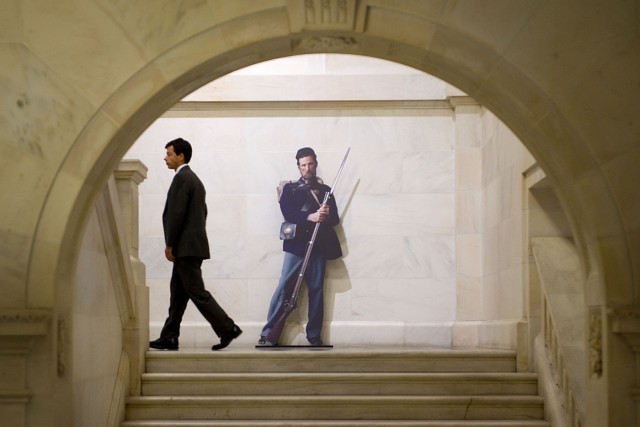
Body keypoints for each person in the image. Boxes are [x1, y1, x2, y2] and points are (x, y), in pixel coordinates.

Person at [149, 138, 242, 351]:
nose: (165, 158)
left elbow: (176, 214)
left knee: (197, 292)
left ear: (180, 156)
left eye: (169, 154)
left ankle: (228, 328)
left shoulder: (183, 179)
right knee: (178, 294)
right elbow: (201, 214)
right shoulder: (194, 180)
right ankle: (170, 336)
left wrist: (170, 243)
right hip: (191, 247)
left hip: (185, 248)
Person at [258, 147, 342, 346]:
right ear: (298, 167)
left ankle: (314, 336)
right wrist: (310, 216)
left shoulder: (326, 191)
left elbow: (335, 220)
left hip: (318, 247)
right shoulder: (289, 189)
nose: (307, 168)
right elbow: (289, 214)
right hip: (296, 247)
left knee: (316, 290)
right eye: (303, 165)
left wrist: (327, 213)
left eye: (310, 164)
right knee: (284, 288)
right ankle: (268, 333)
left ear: (316, 164)